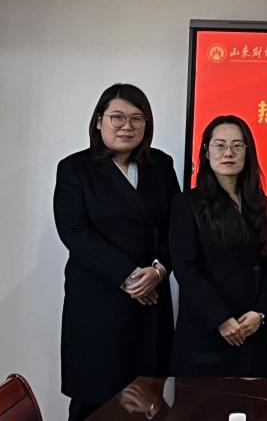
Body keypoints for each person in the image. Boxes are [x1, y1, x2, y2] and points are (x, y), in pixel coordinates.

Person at [54, 83, 180, 421]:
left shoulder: (160, 165)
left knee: (149, 401)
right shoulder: (75, 168)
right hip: (97, 301)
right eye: (118, 117)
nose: (127, 126)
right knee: (94, 402)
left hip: (151, 300)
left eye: (137, 118)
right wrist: (127, 275)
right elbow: (74, 232)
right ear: (99, 121)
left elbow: (176, 227)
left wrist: (158, 271)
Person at [169, 115, 267, 377]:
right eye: (220, 145)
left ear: (247, 152)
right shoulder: (187, 204)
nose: (228, 153)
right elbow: (185, 268)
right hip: (207, 332)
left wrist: (261, 313)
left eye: (237, 145)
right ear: (206, 151)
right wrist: (219, 318)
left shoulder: (262, 204)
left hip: (251, 330)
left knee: (255, 401)